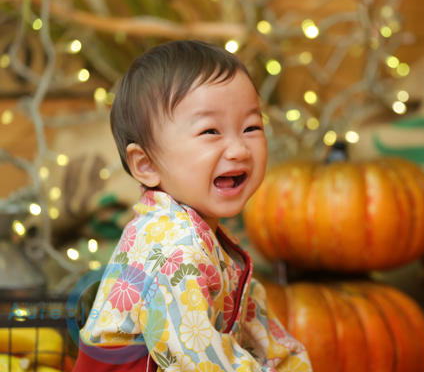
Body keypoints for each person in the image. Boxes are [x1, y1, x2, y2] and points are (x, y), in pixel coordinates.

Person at [74, 40, 312, 372]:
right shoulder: (175, 248)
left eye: (252, 127)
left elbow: (259, 331)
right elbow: (198, 360)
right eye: (210, 131)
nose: (239, 149)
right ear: (146, 165)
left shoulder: (207, 239)